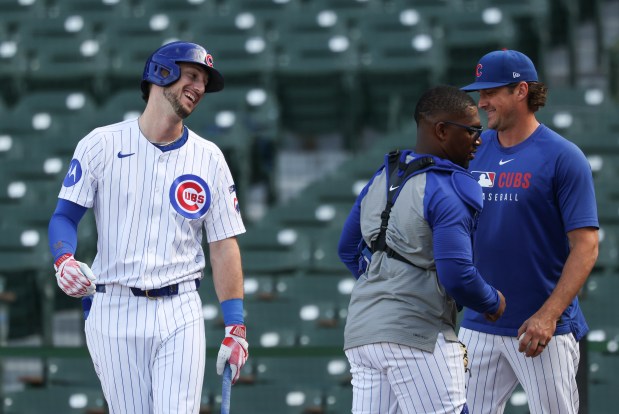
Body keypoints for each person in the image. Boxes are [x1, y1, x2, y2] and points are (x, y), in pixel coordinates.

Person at [47, 41, 248, 414]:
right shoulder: (101, 144)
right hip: (114, 304)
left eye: (204, 81)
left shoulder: (210, 158)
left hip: (180, 307)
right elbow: (64, 216)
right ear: (161, 73)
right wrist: (64, 260)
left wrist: (235, 325)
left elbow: (223, 244)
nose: (200, 87)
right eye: (191, 75)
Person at [338, 85, 506, 414]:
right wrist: (491, 301)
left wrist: (387, 284)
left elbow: (347, 249)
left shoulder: (381, 177)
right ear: (441, 130)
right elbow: (456, 276)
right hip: (416, 333)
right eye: (472, 130)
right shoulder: (447, 187)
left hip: (363, 334)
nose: (479, 139)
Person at [458, 49, 599, 414]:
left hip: (540, 330)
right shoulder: (473, 150)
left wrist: (549, 315)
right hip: (479, 323)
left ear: (521, 91)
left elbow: (586, 246)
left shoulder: (563, 157)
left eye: (490, 92)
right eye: (480, 92)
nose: (481, 101)